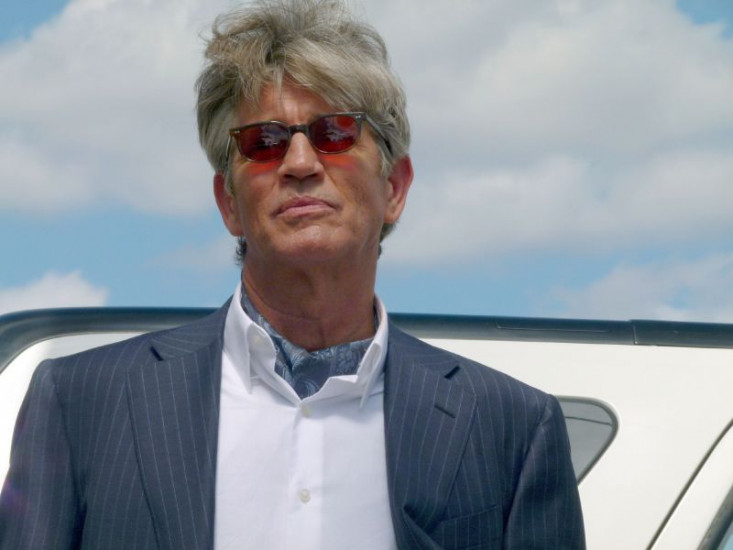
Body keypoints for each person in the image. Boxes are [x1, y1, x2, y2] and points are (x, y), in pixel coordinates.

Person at [0, 0, 584, 548]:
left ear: (394, 187)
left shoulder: (511, 427)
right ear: (228, 203)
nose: (300, 163)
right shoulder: (81, 404)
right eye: (265, 142)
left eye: (335, 133)